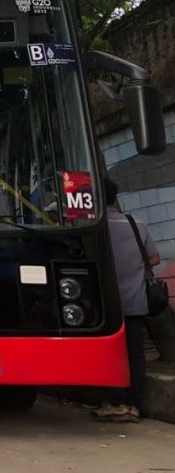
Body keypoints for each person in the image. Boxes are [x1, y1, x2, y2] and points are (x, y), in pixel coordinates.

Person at [93, 177, 160, 423]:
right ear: (115, 197)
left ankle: (114, 403)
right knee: (136, 354)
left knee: (112, 354)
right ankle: (133, 406)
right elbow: (155, 258)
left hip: (108, 305)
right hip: (136, 301)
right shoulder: (136, 224)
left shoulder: (96, 228)